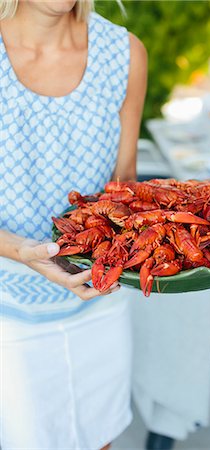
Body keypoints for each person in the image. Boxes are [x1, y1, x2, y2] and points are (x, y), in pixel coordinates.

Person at [0, 0, 147, 448]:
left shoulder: (125, 55)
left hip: (98, 304)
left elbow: (124, 186)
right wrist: (20, 251)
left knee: (97, 440)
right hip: (8, 315)